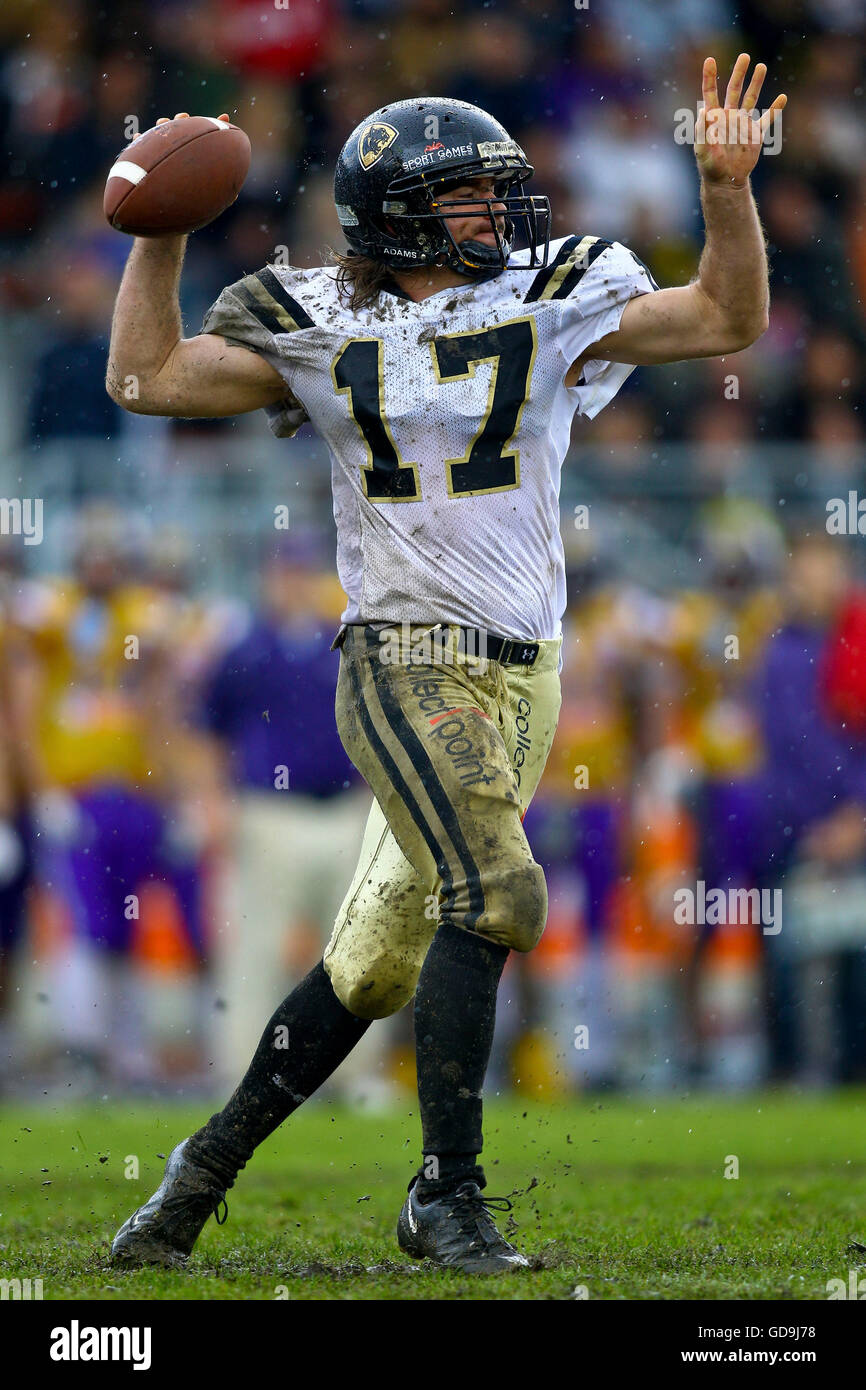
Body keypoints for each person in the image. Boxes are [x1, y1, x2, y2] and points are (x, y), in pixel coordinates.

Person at [105, 57, 785, 1274]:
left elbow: (724, 319)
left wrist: (725, 193)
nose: (501, 214)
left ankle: (190, 1180)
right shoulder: (322, 314)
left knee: (372, 963)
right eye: (471, 197)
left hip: (525, 671)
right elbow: (145, 378)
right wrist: (156, 238)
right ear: (402, 214)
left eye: (499, 191)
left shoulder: (554, 290)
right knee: (499, 894)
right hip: (402, 652)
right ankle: (446, 1196)